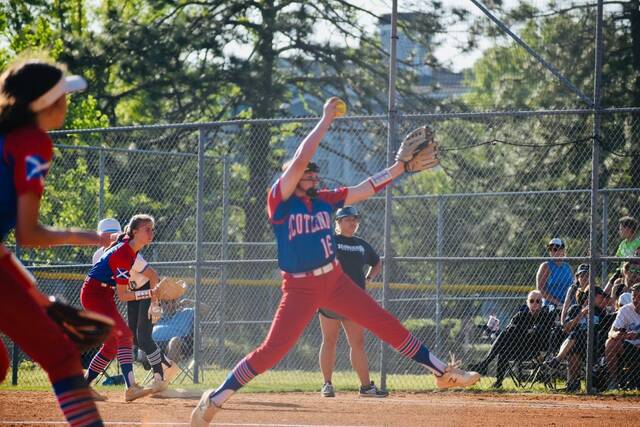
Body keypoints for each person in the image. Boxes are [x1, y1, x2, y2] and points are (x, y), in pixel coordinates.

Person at [190, 97, 480, 426]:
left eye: (315, 177)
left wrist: (399, 167)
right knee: (273, 350)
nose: (313, 180)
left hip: (335, 280)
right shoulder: (280, 203)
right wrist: (326, 119)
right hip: (299, 288)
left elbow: (365, 188)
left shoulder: (324, 201)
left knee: (384, 322)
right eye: (307, 177)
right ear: (293, 178)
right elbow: (300, 158)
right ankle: (215, 399)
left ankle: (443, 372)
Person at [0, 59, 108, 426]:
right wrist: (82, 235)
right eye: (63, 97)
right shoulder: (32, 143)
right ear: (44, 105)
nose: (67, 104)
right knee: (62, 357)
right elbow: (28, 235)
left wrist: (37, 296)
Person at [91, 218, 178, 401]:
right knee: (135, 338)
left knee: (143, 337)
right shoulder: (105, 254)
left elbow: (153, 276)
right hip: (132, 292)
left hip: (144, 288)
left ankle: (159, 377)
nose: (111, 240)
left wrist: (154, 301)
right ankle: (167, 365)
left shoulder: (128, 252)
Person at [318, 206, 386, 398]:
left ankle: (366, 387)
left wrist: (369, 278)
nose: (353, 222)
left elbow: (377, 262)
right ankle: (327, 384)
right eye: (348, 219)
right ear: (338, 223)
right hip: (330, 298)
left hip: (355, 300)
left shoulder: (361, 244)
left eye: (355, 219)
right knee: (329, 340)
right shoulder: (330, 241)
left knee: (357, 342)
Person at [469, 290, 555, 388]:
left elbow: (542, 334)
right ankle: (498, 381)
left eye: (538, 301)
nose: (534, 304)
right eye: (531, 301)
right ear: (527, 303)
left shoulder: (546, 316)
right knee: (504, 350)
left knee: (509, 333)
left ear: (542, 303)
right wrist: (526, 331)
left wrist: (526, 331)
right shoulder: (520, 315)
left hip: (533, 351)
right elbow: (508, 330)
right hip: (518, 348)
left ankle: (485, 363)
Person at [545, 286, 612, 392]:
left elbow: (603, 332)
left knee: (578, 334)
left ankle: (557, 360)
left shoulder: (601, 312)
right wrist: (581, 314)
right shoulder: (575, 309)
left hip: (593, 345)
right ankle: (573, 384)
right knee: (574, 347)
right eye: (600, 297)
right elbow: (567, 328)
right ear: (590, 298)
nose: (602, 299)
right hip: (576, 344)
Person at [605, 283, 640, 390]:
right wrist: (619, 335)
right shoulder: (625, 310)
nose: (636, 300)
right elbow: (611, 333)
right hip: (631, 348)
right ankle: (614, 381)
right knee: (610, 342)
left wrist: (638, 334)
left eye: (639, 297)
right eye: (634, 297)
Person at [536, 238, 573, 308]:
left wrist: (568, 303)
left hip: (568, 304)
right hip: (551, 306)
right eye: (550, 249)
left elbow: (574, 287)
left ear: (563, 250)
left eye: (555, 249)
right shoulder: (546, 266)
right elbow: (540, 289)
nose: (552, 251)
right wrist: (558, 303)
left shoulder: (568, 267)